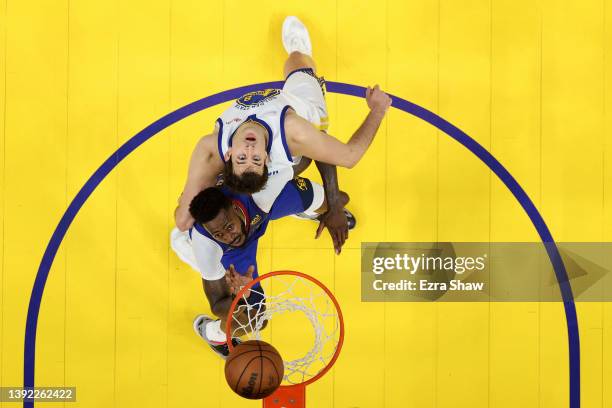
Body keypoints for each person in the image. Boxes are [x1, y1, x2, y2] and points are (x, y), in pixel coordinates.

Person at [174, 16, 392, 254]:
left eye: (244, 158)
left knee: (297, 62)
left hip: (301, 109)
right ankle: (301, 206)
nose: (248, 152)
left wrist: (378, 110)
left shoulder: (286, 133)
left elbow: (347, 157)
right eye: (253, 159)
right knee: (185, 223)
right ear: (263, 159)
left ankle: (298, 47)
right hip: (284, 142)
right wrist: (379, 109)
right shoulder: (284, 134)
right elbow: (351, 155)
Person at [171, 176, 344, 358]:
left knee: (334, 201)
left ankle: (306, 210)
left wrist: (334, 212)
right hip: (229, 256)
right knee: (256, 321)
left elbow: (311, 163)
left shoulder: (257, 195)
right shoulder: (206, 246)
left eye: (229, 227)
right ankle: (214, 334)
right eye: (219, 234)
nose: (229, 237)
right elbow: (217, 303)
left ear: (234, 207)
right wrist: (240, 298)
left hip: (260, 213)